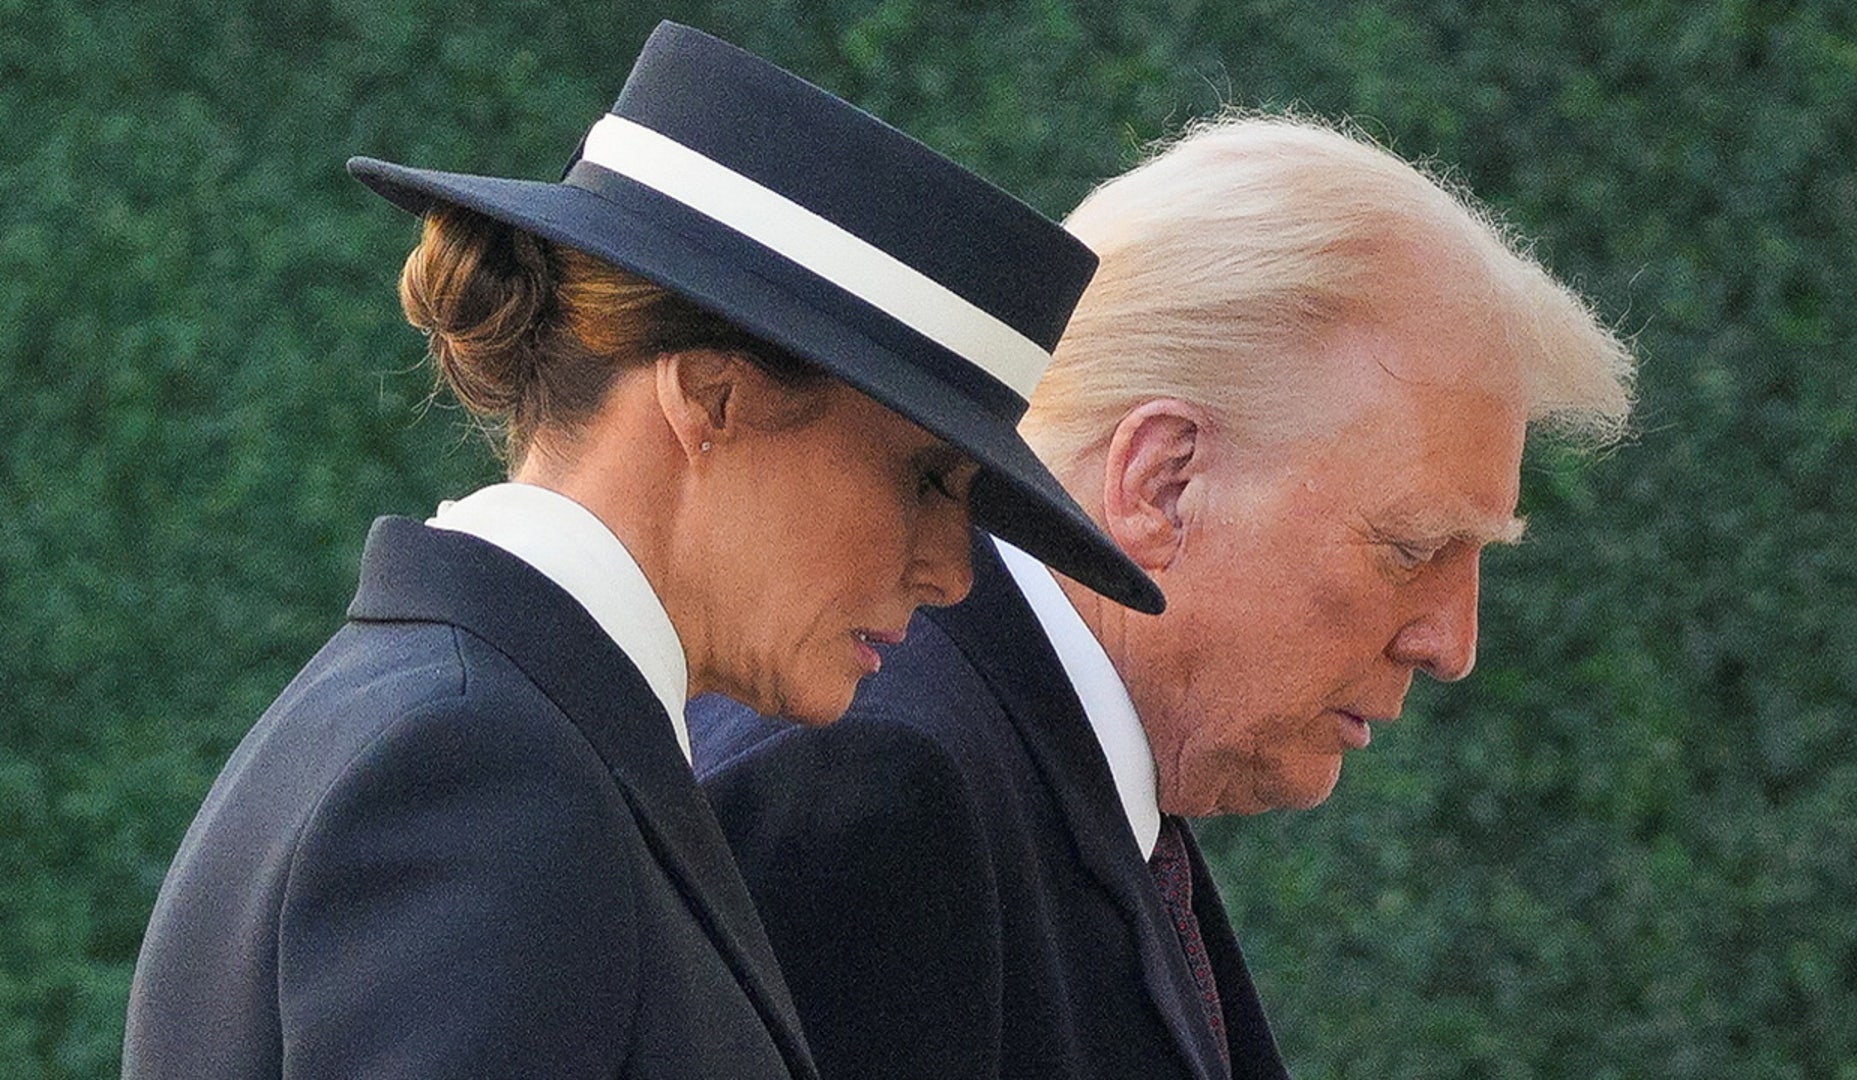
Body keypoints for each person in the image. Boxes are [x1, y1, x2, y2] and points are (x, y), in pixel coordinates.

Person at [121, 22, 1162, 1080]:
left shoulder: (474, 723)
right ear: (713, 399)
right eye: (928, 479)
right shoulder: (488, 769)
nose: (954, 568)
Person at [691, 113, 1636, 1080]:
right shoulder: (879, 793)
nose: (1453, 642)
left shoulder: (1040, 773)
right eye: (1413, 546)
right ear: (1162, 481)